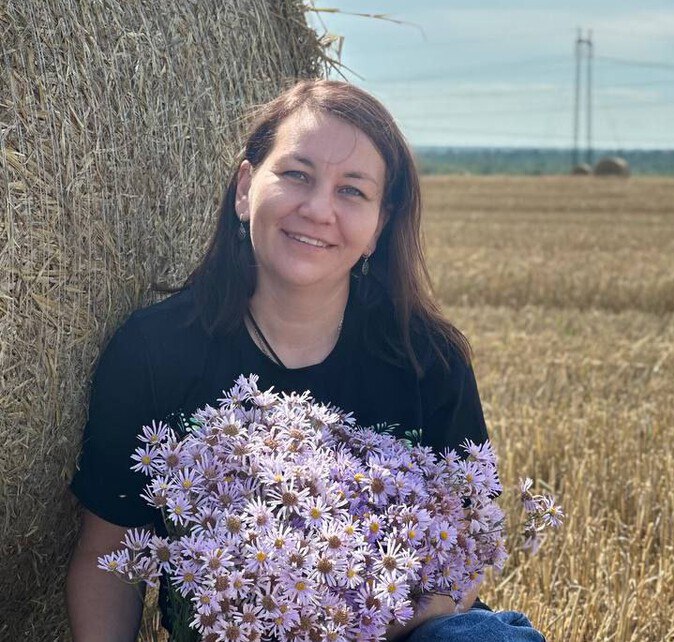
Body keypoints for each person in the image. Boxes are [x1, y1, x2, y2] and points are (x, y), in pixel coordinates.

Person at [66, 80, 545, 642]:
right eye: (296, 175)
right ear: (245, 189)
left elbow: (464, 555)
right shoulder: (155, 352)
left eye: (352, 191)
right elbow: (107, 558)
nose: (318, 210)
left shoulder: (427, 360)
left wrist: (362, 620)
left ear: (379, 226)